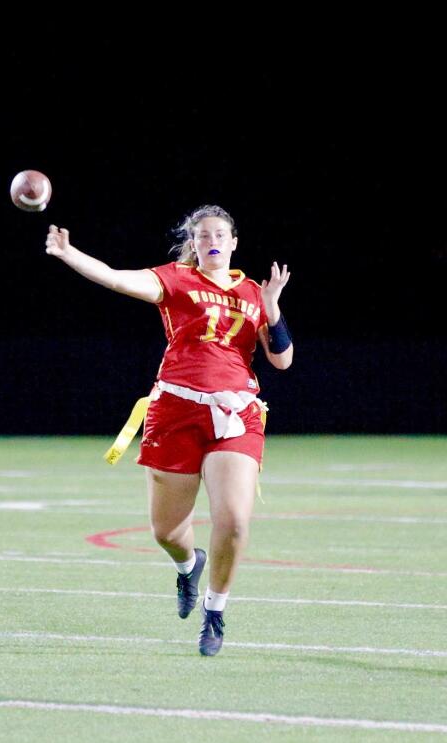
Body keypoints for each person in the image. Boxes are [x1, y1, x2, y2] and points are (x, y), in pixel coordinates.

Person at [45, 205, 293, 656]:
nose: (212, 240)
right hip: (176, 410)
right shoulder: (177, 279)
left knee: (234, 519)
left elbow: (282, 360)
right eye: (203, 235)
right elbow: (117, 278)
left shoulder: (255, 293)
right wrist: (69, 254)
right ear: (193, 244)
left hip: (235, 413)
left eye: (221, 233)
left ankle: (215, 612)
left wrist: (273, 311)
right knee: (166, 531)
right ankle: (187, 566)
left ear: (234, 242)